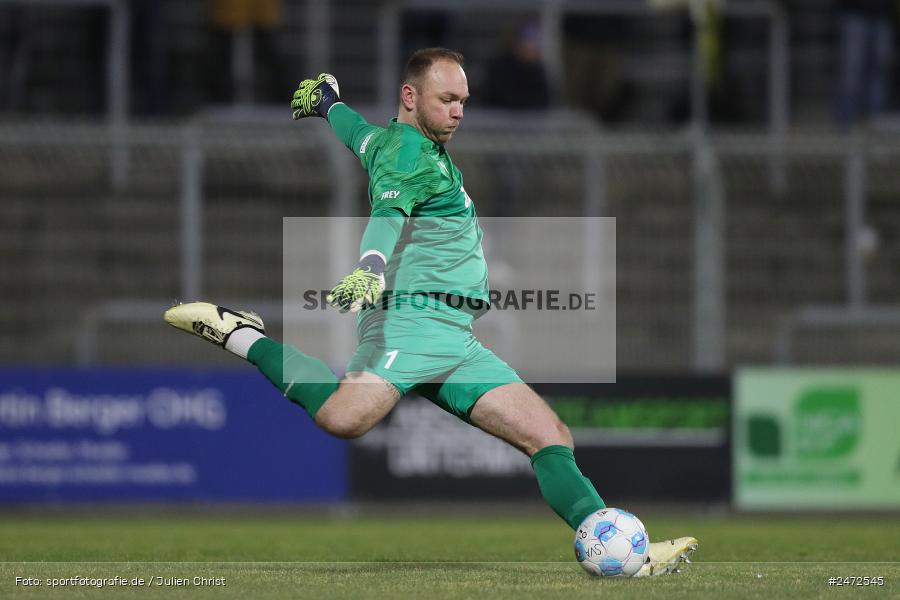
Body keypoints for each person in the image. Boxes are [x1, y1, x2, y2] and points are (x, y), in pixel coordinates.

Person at [164, 48, 697, 576]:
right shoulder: (407, 156)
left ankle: (626, 554)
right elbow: (386, 216)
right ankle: (243, 336)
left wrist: (328, 104)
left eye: (464, 100)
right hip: (412, 321)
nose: (459, 111)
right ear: (410, 97)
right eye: (448, 99)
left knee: (549, 435)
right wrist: (370, 267)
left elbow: (358, 133)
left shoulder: (390, 141)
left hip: (453, 335)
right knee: (343, 419)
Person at [835, 0, 896, 128]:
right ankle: (846, 123)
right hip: (854, 12)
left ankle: (876, 122)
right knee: (851, 71)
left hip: (882, 15)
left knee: (880, 71)